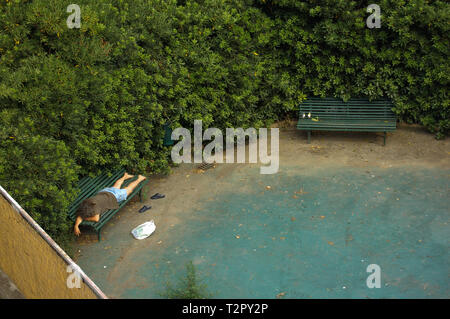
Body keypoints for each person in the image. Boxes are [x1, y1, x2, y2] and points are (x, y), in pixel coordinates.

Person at [74, 172, 147, 236]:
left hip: (114, 196)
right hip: (105, 192)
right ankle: (125, 176)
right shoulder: (86, 202)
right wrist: (76, 225)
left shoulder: (95, 208)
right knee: (116, 187)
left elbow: (96, 219)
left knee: (129, 189)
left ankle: (139, 178)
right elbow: (80, 215)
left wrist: (84, 218)